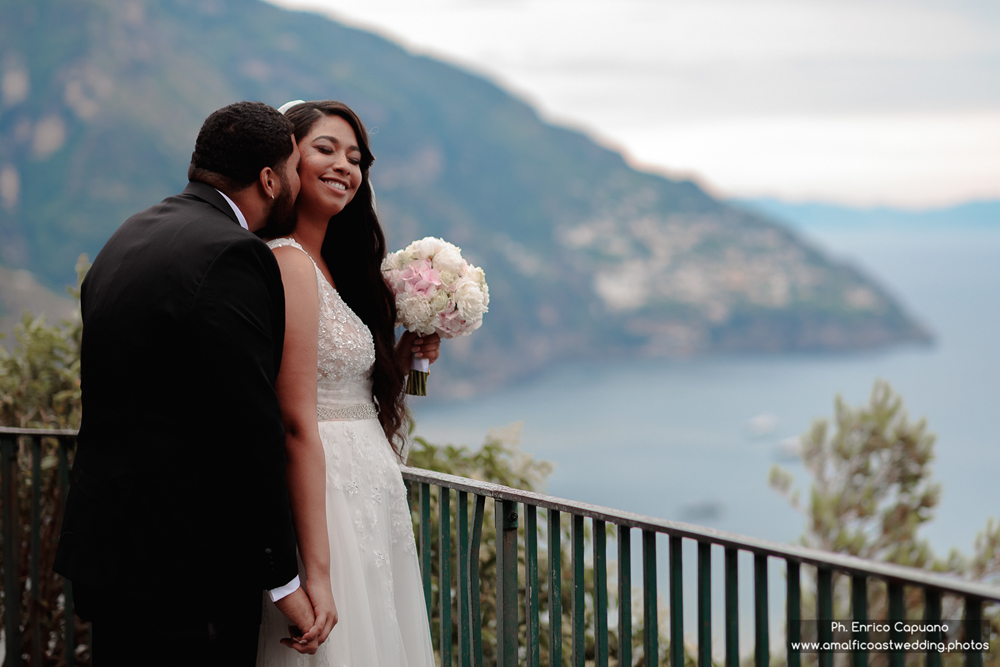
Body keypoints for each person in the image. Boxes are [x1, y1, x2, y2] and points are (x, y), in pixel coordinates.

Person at [54, 101, 336, 665]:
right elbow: (249, 429)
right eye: (291, 170)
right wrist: (282, 579)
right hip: (185, 572)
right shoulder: (233, 255)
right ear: (269, 178)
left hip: (107, 554)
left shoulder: (128, 237)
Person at [255, 100, 440, 666]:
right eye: (326, 149)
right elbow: (294, 415)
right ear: (288, 162)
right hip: (326, 492)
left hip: (369, 486)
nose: (344, 166)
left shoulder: (334, 263)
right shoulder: (287, 261)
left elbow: (347, 387)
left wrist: (404, 359)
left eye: (355, 157)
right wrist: (314, 570)